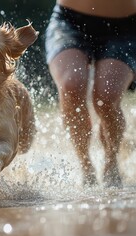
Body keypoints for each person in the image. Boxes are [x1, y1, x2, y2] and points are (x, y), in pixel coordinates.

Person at [45, 0, 136, 187]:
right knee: (71, 86)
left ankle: (111, 161)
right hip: (69, 20)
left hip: (126, 27)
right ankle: (85, 166)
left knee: (107, 97)